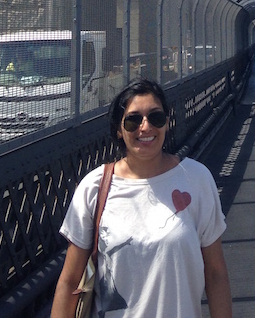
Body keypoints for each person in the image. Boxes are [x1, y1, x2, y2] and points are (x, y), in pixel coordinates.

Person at [51, 78, 233, 318]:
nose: (145, 127)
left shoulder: (196, 179)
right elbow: (70, 281)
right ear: (119, 129)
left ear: (167, 123)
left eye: (155, 117)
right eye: (133, 120)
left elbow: (216, 273)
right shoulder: (94, 188)